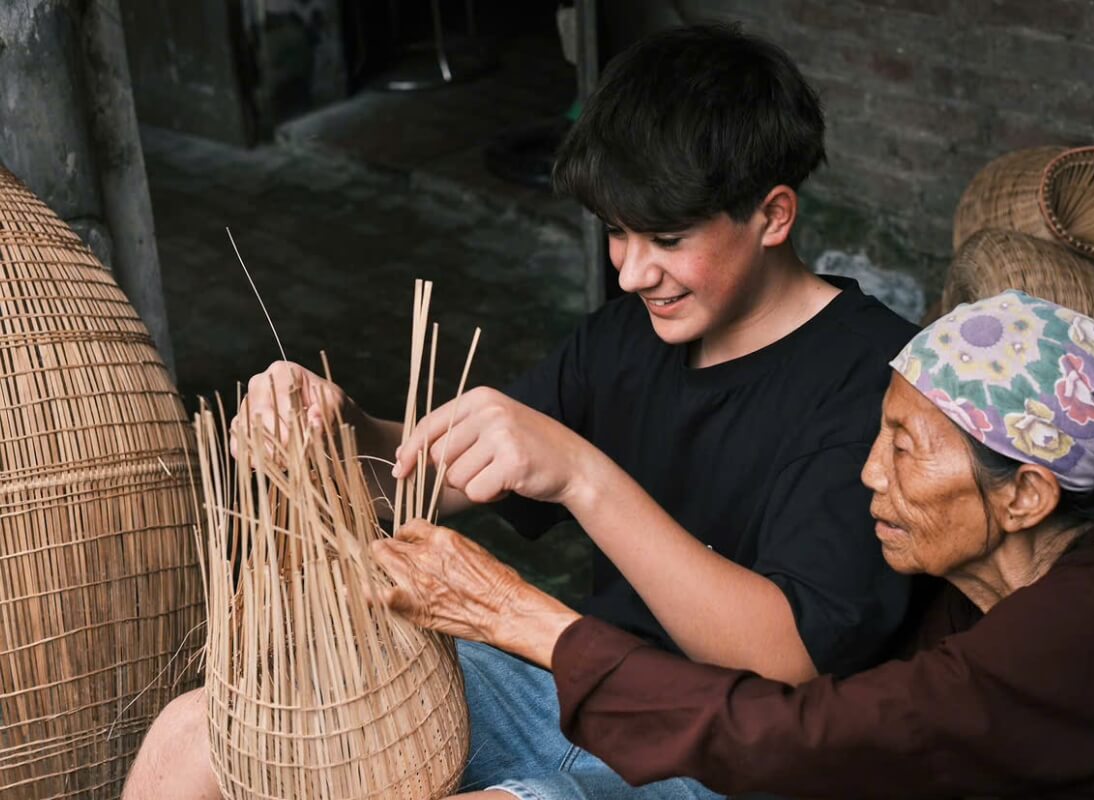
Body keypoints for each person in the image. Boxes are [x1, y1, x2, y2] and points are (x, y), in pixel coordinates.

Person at [123, 24, 920, 800]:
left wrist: (582, 476)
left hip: (730, 756)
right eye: (616, 232)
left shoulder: (871, 382)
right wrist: (338, 430)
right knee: (204, 729)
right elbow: (433, 481)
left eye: (668, 238)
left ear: (773, 215)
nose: (634, 271)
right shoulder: (627, 336)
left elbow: (785, 659)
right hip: (571, 687)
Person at [372, 290, 1094, 799]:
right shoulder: (978, 582)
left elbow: (807, 737)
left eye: (906, 448)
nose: (871, 474)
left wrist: (521, 615)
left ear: (1025, 494)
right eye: (879, 436)